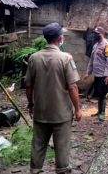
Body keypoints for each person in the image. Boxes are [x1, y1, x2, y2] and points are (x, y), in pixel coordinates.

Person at [25, 22, 82, 174]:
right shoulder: (66, 58)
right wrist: (77, 109)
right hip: (61, 114)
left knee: (38, 144)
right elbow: (72, 86)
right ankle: (62, 170)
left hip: (41, 111)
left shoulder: (33, 58)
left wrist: (31, 105)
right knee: (62, 146)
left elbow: (28, 85)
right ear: (59, 38)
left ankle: (35, 170)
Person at [84, 26, 108, 121]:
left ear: (102, 34)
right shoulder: (95, 45)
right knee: (98, 94)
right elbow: (91, 61)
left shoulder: (107, 45)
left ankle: (102, 113)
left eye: (97, 34)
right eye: (94, 34)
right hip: (97, 75)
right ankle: (99, 111)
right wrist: (88, 72)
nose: (95, 35)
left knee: (103, 94)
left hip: (104, 75)